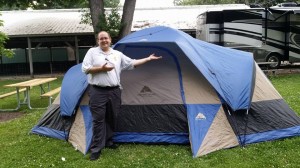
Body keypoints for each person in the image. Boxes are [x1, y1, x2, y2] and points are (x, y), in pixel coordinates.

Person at [81, 31, 162, 161]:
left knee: (112, 117)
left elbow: (132, 63)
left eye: (106, 38)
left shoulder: (117, 54)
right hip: (97, 91)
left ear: (110, 39)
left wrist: (147, 59)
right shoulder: (92, 52)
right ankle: (96, 149)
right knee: (98, 120)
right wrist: (101, 69)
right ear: (98, 41)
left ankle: (108, 141)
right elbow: (85, 69)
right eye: (101, 39)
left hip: (114, 91)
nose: (104, 40)